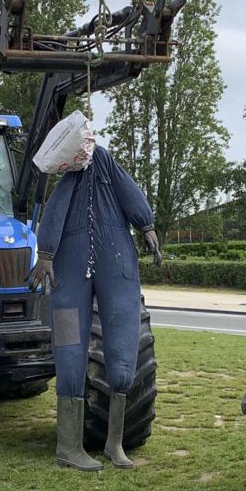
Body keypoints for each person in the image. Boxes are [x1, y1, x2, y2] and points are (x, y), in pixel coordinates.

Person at [28, 144, 161, 472]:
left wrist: (147, 226)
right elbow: (55, 212)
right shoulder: (69, 180)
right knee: (69, 343)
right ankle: (68, 446)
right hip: (71, 269)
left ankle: (114, 442)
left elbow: (129, 192)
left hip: (114, 262)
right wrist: (45, 255)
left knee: (123, 335)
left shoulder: (105, 164)